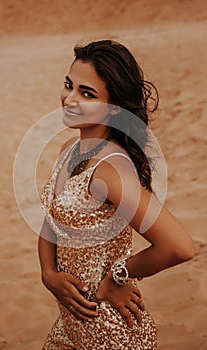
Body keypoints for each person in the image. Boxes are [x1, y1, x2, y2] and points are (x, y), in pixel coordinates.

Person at [38, 40, 194, 349]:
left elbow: (179, 247)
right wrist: (48, 274)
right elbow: (52, 219)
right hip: (69, 329)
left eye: (87, 93)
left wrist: (118, 277)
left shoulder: (110, 170)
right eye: (69, 85)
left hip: (109, 332)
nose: (69, 99)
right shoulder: (68, 149)